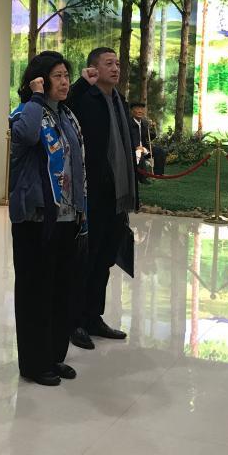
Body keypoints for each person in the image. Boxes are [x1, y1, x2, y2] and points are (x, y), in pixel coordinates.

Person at [9, 51, 87, 386]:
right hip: (35, 219)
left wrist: (82, 210)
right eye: (57, 76)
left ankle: (54, 356)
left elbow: (77, 163)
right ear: (38, 80)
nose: (65, 81)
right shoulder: (25, 113)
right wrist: (37, 98)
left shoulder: (66, 115)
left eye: (66, 75)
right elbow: (28, 136)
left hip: (66, 216)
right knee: (35, 293)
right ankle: (34, 363)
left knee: (60, 290)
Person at [63, 47, 138, 349]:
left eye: (117, 63)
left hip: (116, 194)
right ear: (94, 68)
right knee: (86, 259)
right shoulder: (86, 98)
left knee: (104, 260)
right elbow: (64, 106)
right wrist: (82, 83)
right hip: (92, 194)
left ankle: (94, 317)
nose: (115, 68)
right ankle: (74, 322)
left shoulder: (119, 100)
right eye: (108, 63)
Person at [129, 102, 165, 182]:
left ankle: (158, 174)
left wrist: (153, 128)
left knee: (159, 151)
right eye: (137, 109)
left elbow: (150, 137)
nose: (140, 111)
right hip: (132, 149)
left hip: (144, 148)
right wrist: (136, 147)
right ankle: (143, 178)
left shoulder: (144, 123)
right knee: (140, 154)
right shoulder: (128, 123)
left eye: (142, 109)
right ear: (132, 111)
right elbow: (125, 138)